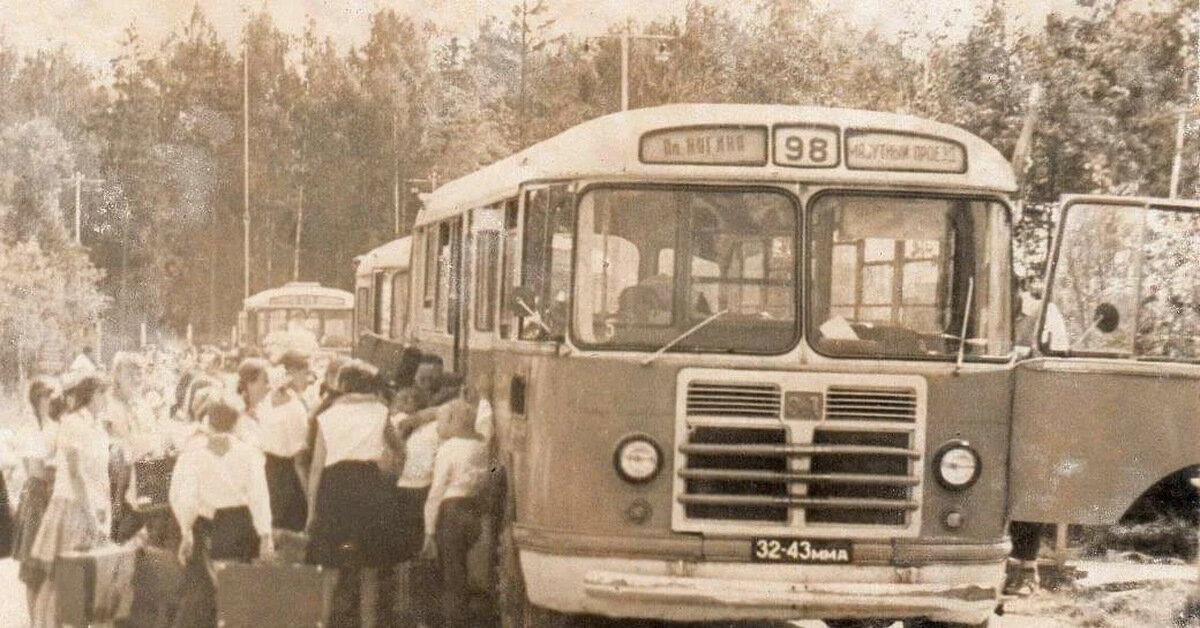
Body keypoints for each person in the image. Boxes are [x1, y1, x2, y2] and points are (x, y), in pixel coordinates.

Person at [305, 360, 400, 628]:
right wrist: (392, 470)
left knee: (330, 568)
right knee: (369, 569)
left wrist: (311, 511)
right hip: (369, 486)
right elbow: (398, 448)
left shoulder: (327, 415)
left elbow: (316, 468)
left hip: (334, 488)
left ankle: (322, 623)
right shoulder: (380, 411)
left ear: (343, 385)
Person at [169, 393, 273, 628]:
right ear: (236, 422)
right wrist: (265, 535)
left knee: (207, 596)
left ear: (208, 421)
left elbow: (185, 497)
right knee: (236, 598)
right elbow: (259, 496)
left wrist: (186, 530)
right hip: (241, 528)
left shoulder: (192, 455)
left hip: (207, 527)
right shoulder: (249, 453)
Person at [29, 374, 113, 627]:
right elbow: (76, 474)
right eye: (103, 393)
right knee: (59, 577)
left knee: (81, 578)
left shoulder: (98, 426)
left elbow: (100, 472)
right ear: (92, 394)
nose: (107, 398)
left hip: (94, 507)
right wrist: (90, 514)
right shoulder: (72, 423)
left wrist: (102, 511)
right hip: (73, 506)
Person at [421, 399, 488, 628]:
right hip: (473, 509)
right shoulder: (481, 447)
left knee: (452, 573)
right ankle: (463, 617)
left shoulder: (448, 449)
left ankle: (453, 621)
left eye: (440, 421)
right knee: (463, 568)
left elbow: (437, 490)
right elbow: (490, 472)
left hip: (451, 511)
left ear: (453, 421)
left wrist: (429, 530)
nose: (438, 427)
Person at [386, 387, 439, 626]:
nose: (406, 402)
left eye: (411, 398)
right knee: (407, 553)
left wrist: (418, 418)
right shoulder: (394, 422)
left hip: (415, 491)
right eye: (402, 398)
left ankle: (411, 612)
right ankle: (406, 611)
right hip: (404, 490)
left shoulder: (430, 427)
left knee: (413, 554)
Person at [11, 377, 62, 621]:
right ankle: (34, 622)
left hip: (53, 495)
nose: (46, 400)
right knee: (32, 569)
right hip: (35, 498)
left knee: (53, 568)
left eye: (49, 396)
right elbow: (31, 466)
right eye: (42, 396)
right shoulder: (28, 429)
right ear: (35, 399)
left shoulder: (56, 427)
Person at [240, 357, 308, 532]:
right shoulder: (243, 414)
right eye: (264, 381)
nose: (268, 386)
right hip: (266, 475)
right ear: (249, 384)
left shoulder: (267, 406)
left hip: (275, 474)